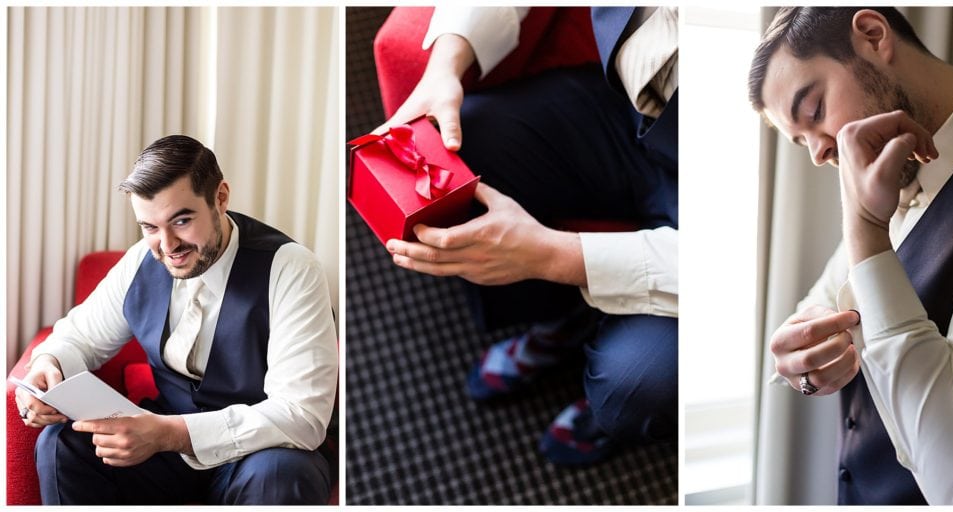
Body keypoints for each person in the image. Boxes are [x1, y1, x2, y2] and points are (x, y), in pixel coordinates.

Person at [378, 7, 678, 465]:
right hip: (635, 104)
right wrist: (445, 66)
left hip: (722, 210)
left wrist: (555, 257)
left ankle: (606, 405)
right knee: (459, 153)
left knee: (632, 386)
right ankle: (562, 320)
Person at [749, 7, 953, 505]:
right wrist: (800, 348)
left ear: (873, 36)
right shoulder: (890, 165)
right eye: (801, 141)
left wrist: (867, 230)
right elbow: (825, 297)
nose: (819, 154)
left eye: (814, 113)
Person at [14, 135, 338, 504]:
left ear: (220, 197)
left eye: (181, 220)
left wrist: (169, 433)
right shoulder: (142, 261)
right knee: (61, 445)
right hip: (166, 452)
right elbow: (78, 337)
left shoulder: (292, 268)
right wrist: (47, 366)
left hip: (260, 451)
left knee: (282, 474)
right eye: (150, 227)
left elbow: (301, 415)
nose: (167, 246)